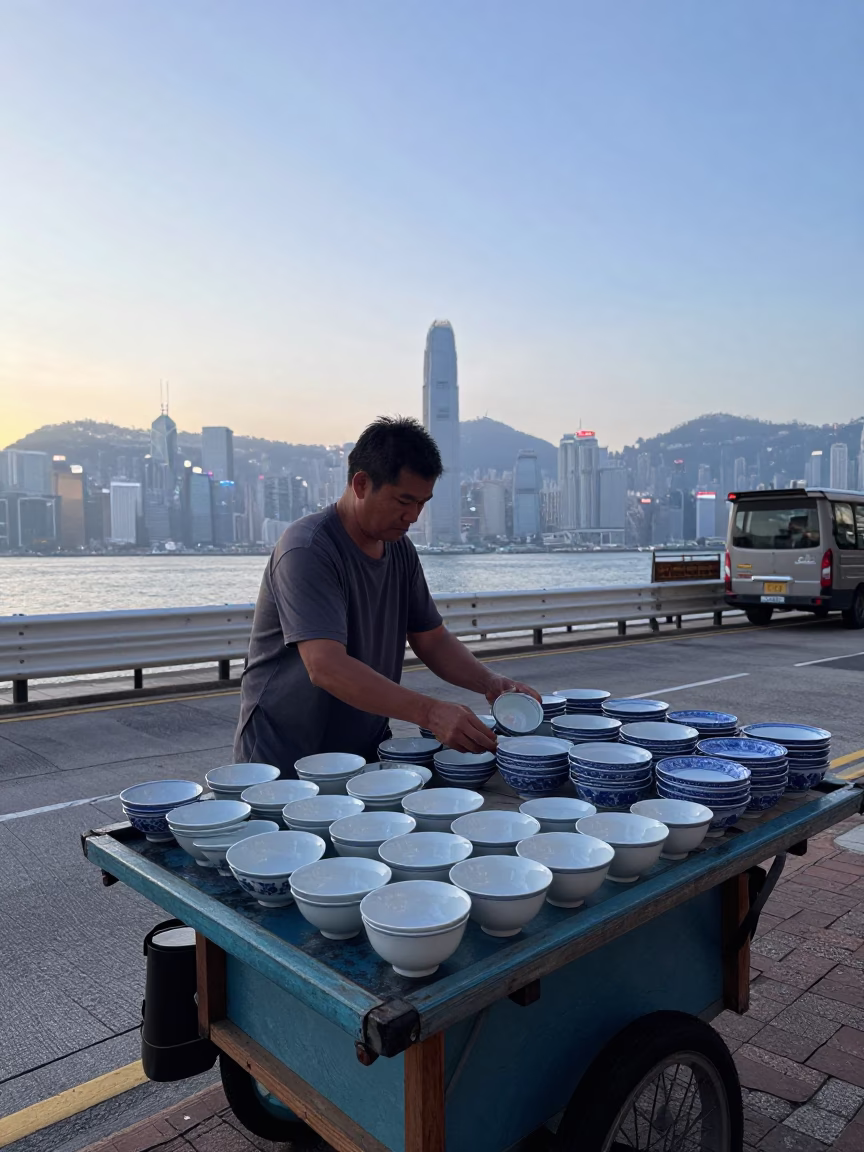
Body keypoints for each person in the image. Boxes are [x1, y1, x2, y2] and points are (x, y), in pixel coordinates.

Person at [234, 416, 539, 776]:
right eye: (403, 500)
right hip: (285, 759)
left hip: (364, 752)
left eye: (422, 502)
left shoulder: (399, 549)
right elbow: (325, 666)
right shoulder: (308, 548)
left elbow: (432, 639)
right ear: (361, 483)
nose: (412, 516)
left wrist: (489, 682)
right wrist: (430, 712)